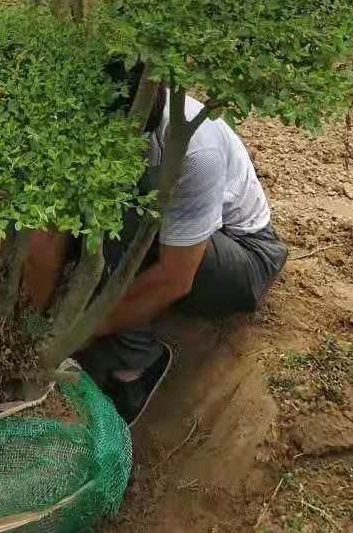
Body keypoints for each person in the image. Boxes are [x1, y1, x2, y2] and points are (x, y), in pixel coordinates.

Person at [26, 84, 288, 426]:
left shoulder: (193, 149)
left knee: (123, 211)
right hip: (175, 232)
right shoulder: (80, 120)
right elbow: (47, 232)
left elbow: (175, 278)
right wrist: (30, 326)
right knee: (100, 214)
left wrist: (85, 330)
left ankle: (135, 366)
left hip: (243, 254)